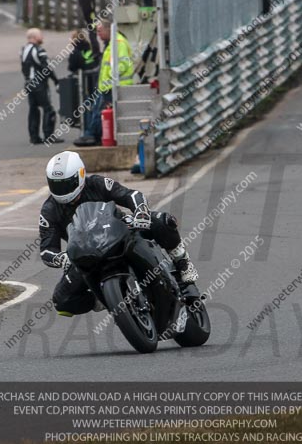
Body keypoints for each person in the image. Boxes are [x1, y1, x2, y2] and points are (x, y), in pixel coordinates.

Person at [39, 151, 198, 316]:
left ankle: (183, 262)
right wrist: (60, 258)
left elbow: (131, 195)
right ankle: (101, 299)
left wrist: (141, 212)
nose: (61, 190)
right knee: (62, 301)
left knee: (162, 221)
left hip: (119, 231)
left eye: (65, 184)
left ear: (80, 175)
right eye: (56, 185)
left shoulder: (97, 183)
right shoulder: (49, 209)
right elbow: (46, 249)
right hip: (87, 254)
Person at [74, 18, 135, 147]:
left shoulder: (118, 43)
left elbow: (123, 64)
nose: (98, 34)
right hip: (106, 86)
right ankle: (91, 134)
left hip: (113, 86)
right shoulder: (112, 43)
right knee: (97, 111)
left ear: (109, 29)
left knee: (99, 112)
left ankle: (91, 136)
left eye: (100, 31)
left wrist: (111, 78)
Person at [21, 28, 62, 145]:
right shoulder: (39, 50)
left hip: (28, 83)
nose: (42, 38)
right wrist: (56, 81)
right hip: (39, 84)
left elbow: (24, 68)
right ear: (34, 37)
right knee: (48, 109)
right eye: (40, 35)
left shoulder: (23, 50)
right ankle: (49, 135)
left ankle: (34, 137)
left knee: (33, 110)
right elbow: (47, 68)